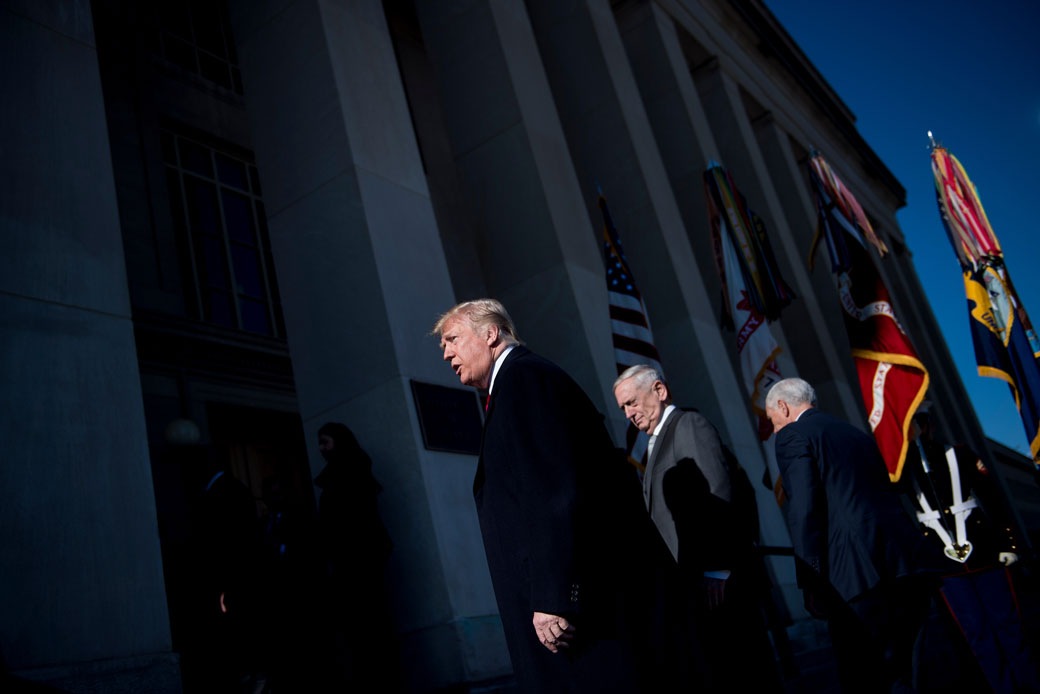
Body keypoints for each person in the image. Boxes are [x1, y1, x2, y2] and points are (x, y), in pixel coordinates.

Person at [434, 299, 660, 693]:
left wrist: (555, 595)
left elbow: (554, 491)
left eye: (452, 339)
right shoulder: (512, 387)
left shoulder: (525, 380)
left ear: (490, 334)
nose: (447, 353)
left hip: (570, 615)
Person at [765, 377, 943, 693]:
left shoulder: (792, 435)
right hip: (904, 564)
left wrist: (809, 579)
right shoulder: (856, 434)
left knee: (865, 677)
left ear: (783, 406)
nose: (773, 429)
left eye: (771, 421)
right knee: (912, 672)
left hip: (855, 578)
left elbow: (805, 511)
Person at [612, 364, 779, 690]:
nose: (628, 413)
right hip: (695, 590)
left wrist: (717, 569)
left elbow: (718, 493)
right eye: (623, 408)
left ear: (659, 391)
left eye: (632, 402)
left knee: (747, 674)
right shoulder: (656, 442)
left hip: (720, 587)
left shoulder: (687, 424)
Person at [903, 406, 1038, 693]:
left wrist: (1007, 543)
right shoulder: (903, 469)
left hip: (984, 553)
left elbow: (993, 499)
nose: (918, 430)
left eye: (921, 423)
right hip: (944, 564)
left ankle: (1030, 686)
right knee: (975, 634)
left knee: (1009, 626)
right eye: (911, 425)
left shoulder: (960, 454)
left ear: (930, 425)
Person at [314, 422, 398, 690]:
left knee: (365, 629)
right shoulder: (344, 473)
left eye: (325, 442)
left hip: (357, 565)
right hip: (353, 565)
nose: (321, 449)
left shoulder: (349, 475)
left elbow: (357, 522)